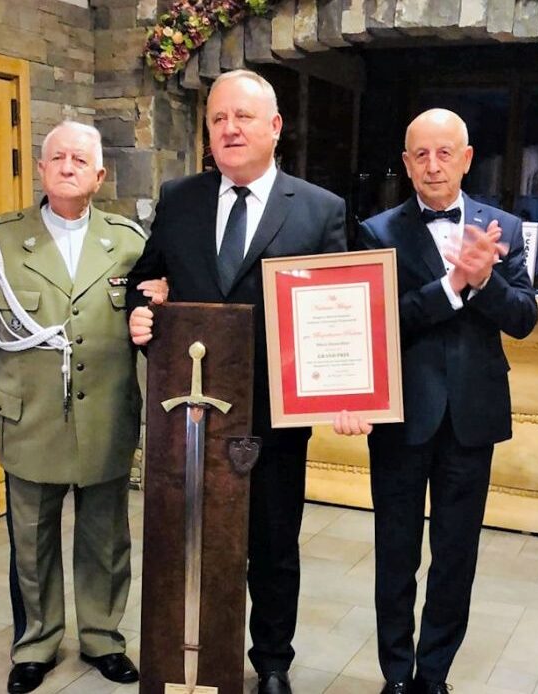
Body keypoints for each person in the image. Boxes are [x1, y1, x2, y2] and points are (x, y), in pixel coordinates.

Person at [126, 69, 368, 694]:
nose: (229, 129)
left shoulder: (319, 209)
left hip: (274, 417)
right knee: (191, 538)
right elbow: (145, 281)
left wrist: (348, 390)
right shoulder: (179, 198)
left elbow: (342, 311)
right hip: (191, 416)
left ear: (275, 126)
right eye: (218, 119)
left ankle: (273, 663)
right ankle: (197, 657)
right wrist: (140, 310)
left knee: (273, 545)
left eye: (243, 117)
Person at [334, 109, 538, 694]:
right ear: (406, 163)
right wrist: (452, 286)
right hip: (402, 415)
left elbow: (523, 318)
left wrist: (485, 280)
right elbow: (383, 320)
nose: (432, 165)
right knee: (395, 553)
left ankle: (434, 675)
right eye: (420, 154)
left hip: (473, 417)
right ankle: (396, 674)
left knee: (456, 556)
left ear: (466, 159)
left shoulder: (504, 227)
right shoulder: (377, 231)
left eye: (444, 153)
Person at [0, 121, 165, 694]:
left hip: (106, 417)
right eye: (57, 158)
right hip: (29, 418)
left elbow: (153, 326)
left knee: (107, 538)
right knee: (32, 540)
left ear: (99, 175)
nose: (68, 166)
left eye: (80, 159)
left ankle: (102, 638)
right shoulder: (0, 241)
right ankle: (37, 643)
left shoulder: (129, 242)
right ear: (41, 169)